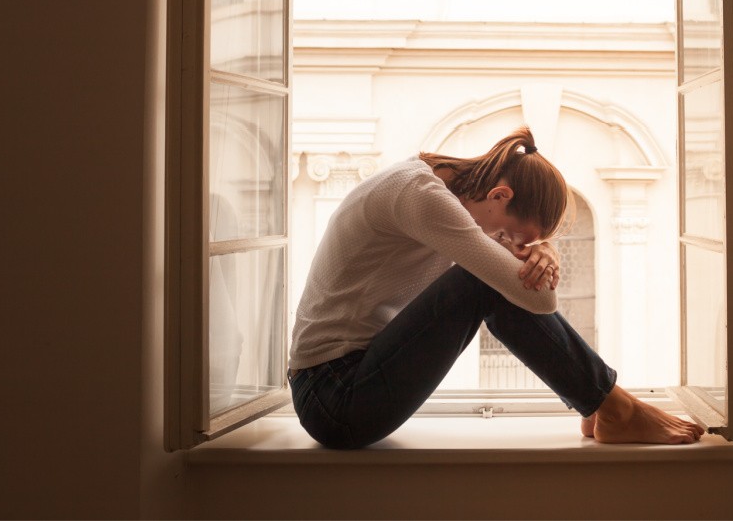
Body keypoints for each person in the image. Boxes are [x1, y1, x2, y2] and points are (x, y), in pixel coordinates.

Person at [287, 126, 704, 449]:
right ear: (500, 195)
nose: (508, 246)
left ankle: (607, 405)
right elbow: (536, 298)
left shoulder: (449, 192)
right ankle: (615, 407)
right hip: (333, 397)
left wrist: (546, 251)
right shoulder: (421, 196)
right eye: (510, 236)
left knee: (489, 280)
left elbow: (526, 288)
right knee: (482, 283)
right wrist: (536, 259)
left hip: (347, 382)